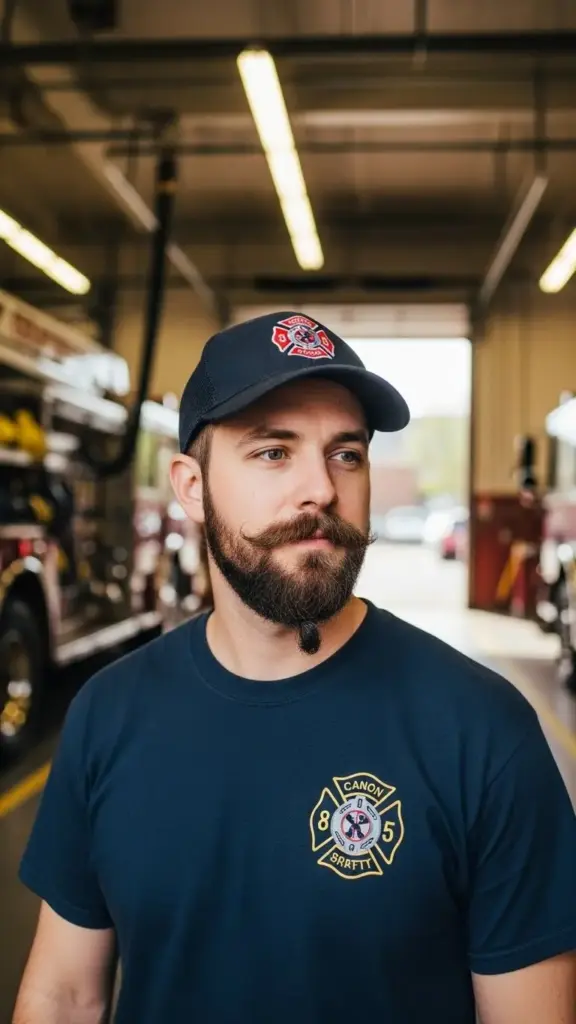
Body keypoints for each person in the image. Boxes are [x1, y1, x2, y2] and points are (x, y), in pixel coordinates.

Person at [13, 310, 576, 1024]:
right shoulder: (109, 713)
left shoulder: (481, 728)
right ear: (190, 486)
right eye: (273, 452)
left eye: (346, 454)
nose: (321, 489)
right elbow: (63, 997)